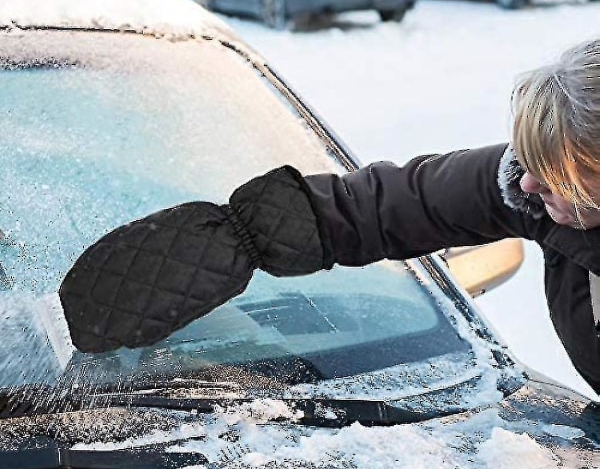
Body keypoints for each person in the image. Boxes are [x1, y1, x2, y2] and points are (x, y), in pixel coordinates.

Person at [60, 38, 600, 394]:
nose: (529, 183)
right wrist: (236, 239)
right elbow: (391, 204)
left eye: (563, 172)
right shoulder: (541, 197)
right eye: (530, 159)